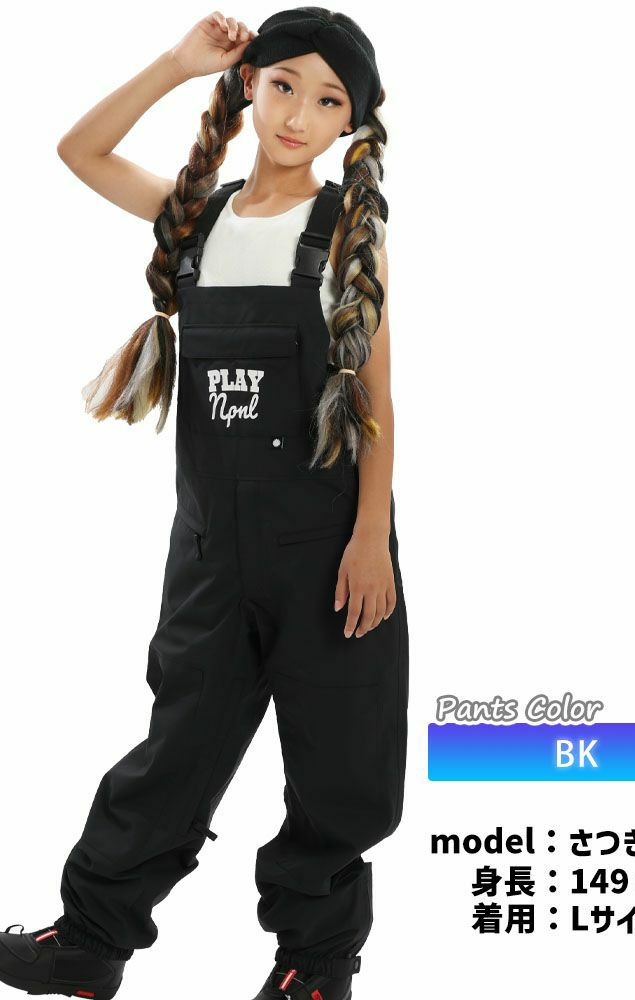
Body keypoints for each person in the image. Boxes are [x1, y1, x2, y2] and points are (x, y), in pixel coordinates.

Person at [0, 8, 409, 1000]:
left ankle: (313, 970)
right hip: (210, 551)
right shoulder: (196, 220)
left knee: (337, 764)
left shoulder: (342, 236)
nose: (298, 116)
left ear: (351, 123)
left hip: (326, 549)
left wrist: (369, 538)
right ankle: (88, 944)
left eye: (328, 101)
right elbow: (79, 150)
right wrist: (179, 65)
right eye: (283, 85)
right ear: (250, 87)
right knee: (176, 746)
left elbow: (374, 403)